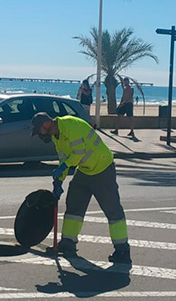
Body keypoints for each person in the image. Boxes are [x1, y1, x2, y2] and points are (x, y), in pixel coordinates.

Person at [30, 112, 130, 263]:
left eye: (40, 131)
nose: (40, 135)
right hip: (85, 170)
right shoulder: (56, 137)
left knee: (112, 209)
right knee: (74, 205)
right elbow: (64, 158)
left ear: (47, 124)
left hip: (102, 168)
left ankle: (122, 250)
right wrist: (59, 180)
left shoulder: (70, 125)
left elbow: (79, 153)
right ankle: (68, 243)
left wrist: (64, 166)